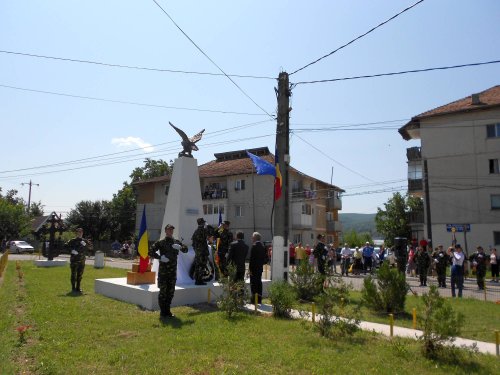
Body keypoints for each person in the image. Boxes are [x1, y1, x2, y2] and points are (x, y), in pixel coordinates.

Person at [149, 224, 188, 319]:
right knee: (163, 292)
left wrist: (180, 247)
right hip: (163, 271)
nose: (171, 231)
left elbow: (186, 250)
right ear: (165, 231)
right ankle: (163, 312)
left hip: (172, 271)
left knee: (170, 292)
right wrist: (160, 258)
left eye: (172, 230)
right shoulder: (161, 242)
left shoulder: (176, 242)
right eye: (169, 230)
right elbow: (150, 251)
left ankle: (168, 311)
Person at [65, 227, 92, 294]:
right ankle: (73, 288)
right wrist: (72, 250)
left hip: (82, 260)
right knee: (73, 274)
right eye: (78, 232)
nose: (80, 233)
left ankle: (78, 288)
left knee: (80, 275)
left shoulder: (85, 241)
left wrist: (86, 245)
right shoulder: (72, 240)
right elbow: (65, 246)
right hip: (74, 260)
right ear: (76, 233)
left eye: (81, 232)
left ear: (82, 233)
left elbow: (91, 248)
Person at [249, 232, 267, 304]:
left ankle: (254, 300)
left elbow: (251, 259)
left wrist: (250, 269)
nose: (251, 238)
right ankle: (259, 299)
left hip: (254, 269)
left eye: (252, 237)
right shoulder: (263, 246)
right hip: (260, 268)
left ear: (255, 238)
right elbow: (265, 259)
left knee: (253, 284)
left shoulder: (254, 246)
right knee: (259, 283)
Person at [191, 218, 210, 285]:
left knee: (198, 265)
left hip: (198, 251)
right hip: (202, 252)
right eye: (204, 223)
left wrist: (196, 250)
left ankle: (197, 280)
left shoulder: (196, 231)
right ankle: (199, 280)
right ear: (202, 223)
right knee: (202, 265)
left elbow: (193, 242)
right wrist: (208, 227)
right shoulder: (203, 230)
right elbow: (211, 233)